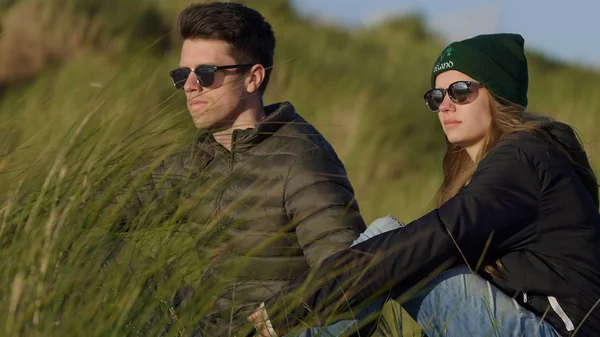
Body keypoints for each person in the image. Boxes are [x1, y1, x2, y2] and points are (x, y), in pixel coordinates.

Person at [249, 33, 600, 337]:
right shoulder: (503, 162)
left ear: (498, 94)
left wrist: (297, 303)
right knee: (406, 255)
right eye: (436, 96)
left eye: (460, 91)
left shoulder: (524, 158)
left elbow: (437, 237)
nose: (445, 105)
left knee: (401, 247)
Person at [124, 2, 376, 336]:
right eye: (182, 74)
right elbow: (113, 209)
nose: (190, 86)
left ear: (252, 78)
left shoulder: (301, 157)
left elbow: (344, 276)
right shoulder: (199, 159)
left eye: (205, 73)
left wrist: (282, 317)